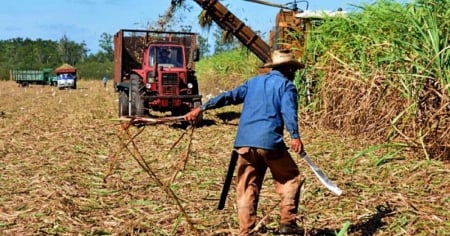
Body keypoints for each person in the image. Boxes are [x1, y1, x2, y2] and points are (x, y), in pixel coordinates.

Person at [184, 49, 305, 235]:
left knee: (247, 187)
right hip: (270, 143)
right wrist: (295, 136)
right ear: (288, 69)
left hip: (244, 145)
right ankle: (288, 223)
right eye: (293, 70)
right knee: (290, 177)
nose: (294, 73)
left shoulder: (253, 83)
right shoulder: (286, 86)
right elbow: (288, 111)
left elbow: (228, 97)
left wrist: (202, 108)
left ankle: (246, 231)